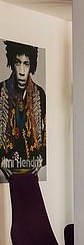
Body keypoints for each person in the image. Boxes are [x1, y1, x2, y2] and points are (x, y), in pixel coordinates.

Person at [0, 40, 46, 179]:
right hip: (9, 168)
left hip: (31, 168)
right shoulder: (1, 90)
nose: (21, 71)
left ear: (31, 66)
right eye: (17, 63)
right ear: (12, 64)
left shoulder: (39, 94)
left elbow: (46, 130)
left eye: (26, 64)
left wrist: (42, 157)